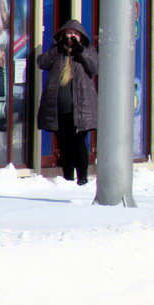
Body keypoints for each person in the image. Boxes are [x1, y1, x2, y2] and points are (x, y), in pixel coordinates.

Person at [36, 20, 98, 184]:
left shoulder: (87, 50)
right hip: (59, 107)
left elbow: (95, 67)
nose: (72, 36)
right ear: (63, 35)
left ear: (81, 36)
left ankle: (82, 178)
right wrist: (57, 50)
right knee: (64, 144)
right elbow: (42, 62)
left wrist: (81, 52)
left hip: (81, 107)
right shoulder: (57, 51)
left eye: (75, 33)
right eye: (69, 33)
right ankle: (68, 178)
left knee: (78, 142)